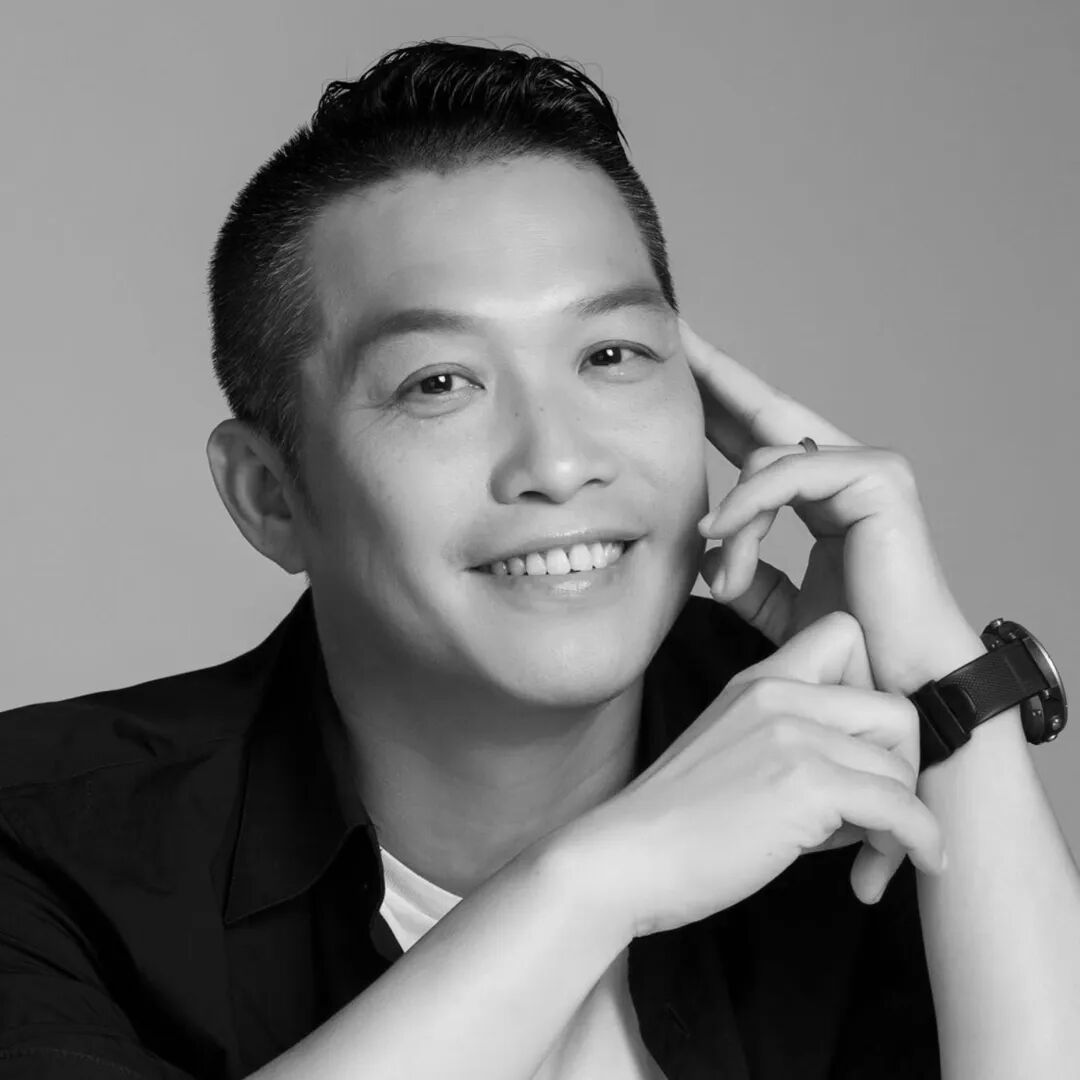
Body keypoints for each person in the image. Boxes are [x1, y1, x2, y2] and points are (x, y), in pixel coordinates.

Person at [1, 38, 1076, 1080]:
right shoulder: (42, 842)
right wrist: (596, 882)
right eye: (438, 383)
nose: (558, 463)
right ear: (270, 496)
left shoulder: (849, 775)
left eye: (611, 354)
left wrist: (950, 698)